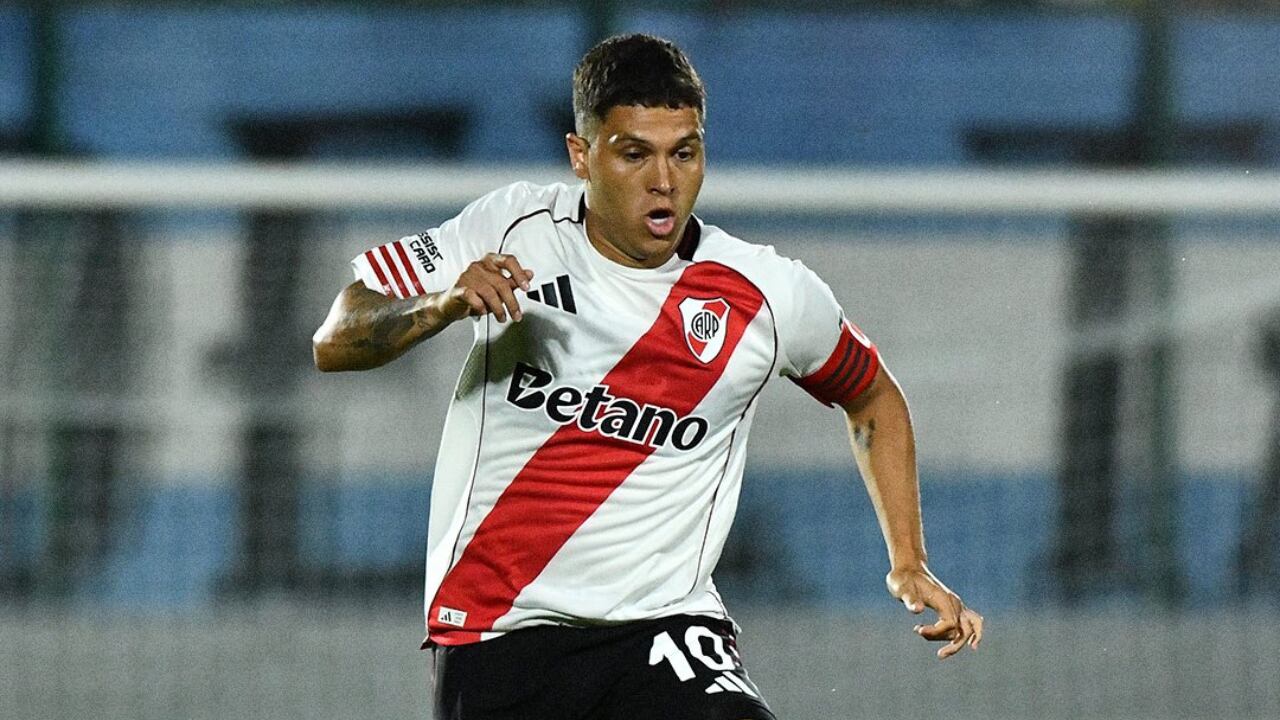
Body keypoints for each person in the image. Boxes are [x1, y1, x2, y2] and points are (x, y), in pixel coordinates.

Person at [313, 33, 982, 720]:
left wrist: (908, 559)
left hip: (666, 626)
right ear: (582, 155)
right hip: (500, 630)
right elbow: (334, 339)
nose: (664, 180)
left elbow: (871, 396)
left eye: (684, 153)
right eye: (635, 154)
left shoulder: (765, 293)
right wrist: (441, 304)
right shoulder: (514, 227)